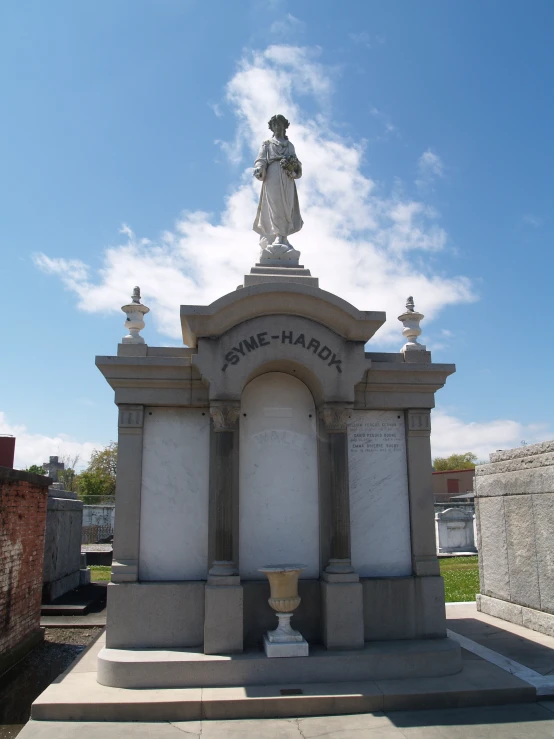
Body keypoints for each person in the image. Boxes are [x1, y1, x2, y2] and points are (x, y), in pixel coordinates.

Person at [253, 114, 303, 251]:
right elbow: (261, 160)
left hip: (287, 176)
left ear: (284, 126)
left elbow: (297, 163)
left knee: (286, 206)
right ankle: (278, 236)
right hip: (273, 174)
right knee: (275, 205)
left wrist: (294, 169)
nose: (277, 126)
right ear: (272, 127)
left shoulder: (290, 145)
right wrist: (259, 168)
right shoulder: (267, 144)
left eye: (280, 124)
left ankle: (283, 237)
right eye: (275, 124)